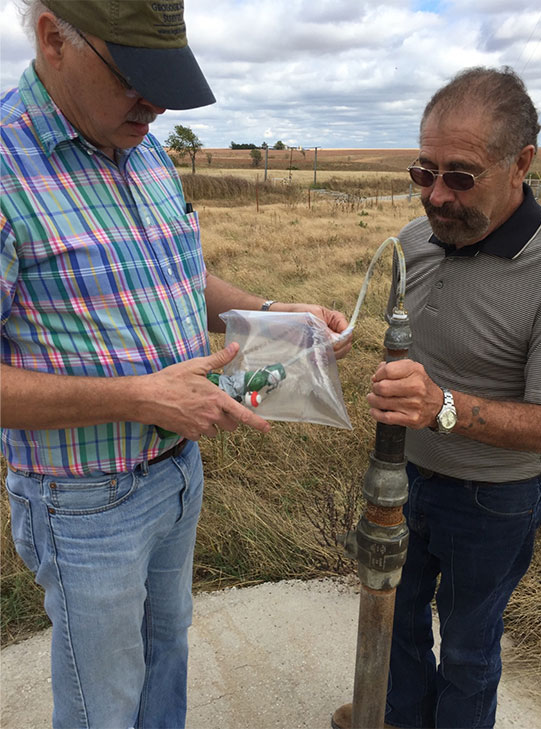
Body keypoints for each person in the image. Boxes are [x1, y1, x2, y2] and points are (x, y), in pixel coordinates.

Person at [0, 2, 351, 728]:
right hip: (85, 502)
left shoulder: (144, 147)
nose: (155, 102)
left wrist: (278, 313)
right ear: (51, 39)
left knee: (166, 662)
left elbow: (179, 276)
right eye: (133, 73)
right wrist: (138, 397)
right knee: (105, 703)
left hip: (178, 474)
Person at [366, 67, 541, 729]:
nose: (436, 197)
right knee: (397, 624)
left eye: (461, 177)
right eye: (424, 171)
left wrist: (441, 405)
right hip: (402, 479)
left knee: (470, 650)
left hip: (493, 501)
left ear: (520, 163)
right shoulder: (415, 243)